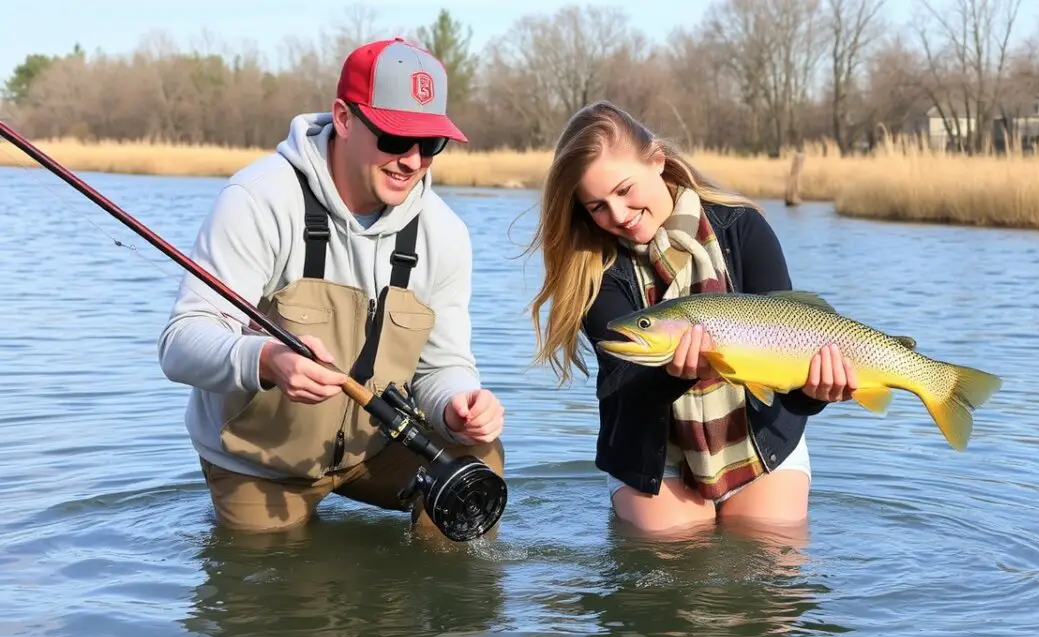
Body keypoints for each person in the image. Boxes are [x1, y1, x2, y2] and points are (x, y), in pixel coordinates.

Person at [157, 37, 505, 538]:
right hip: (260, 462)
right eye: (393, 137)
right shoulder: (257, 200)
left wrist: (459, 405)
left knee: (478, 460)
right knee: (277, 597)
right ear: (343, 117)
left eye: (430, 144)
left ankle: (440, 611)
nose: (411, 160)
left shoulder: (444, 234)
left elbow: (443, 365)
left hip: (381, 448)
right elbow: (180, 343)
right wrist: (267, 359)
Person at [527, 101, 857, 534]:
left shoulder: (743, 228)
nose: (618, 216)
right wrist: (675, 374)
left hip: (761, 438)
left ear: (658, 161)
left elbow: (791, 391)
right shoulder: (591, 269)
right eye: (597, 207)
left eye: (625, 191)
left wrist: (818, 391)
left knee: (769, 551)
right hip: (650, 451)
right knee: (674, 558)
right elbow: (627, 390)